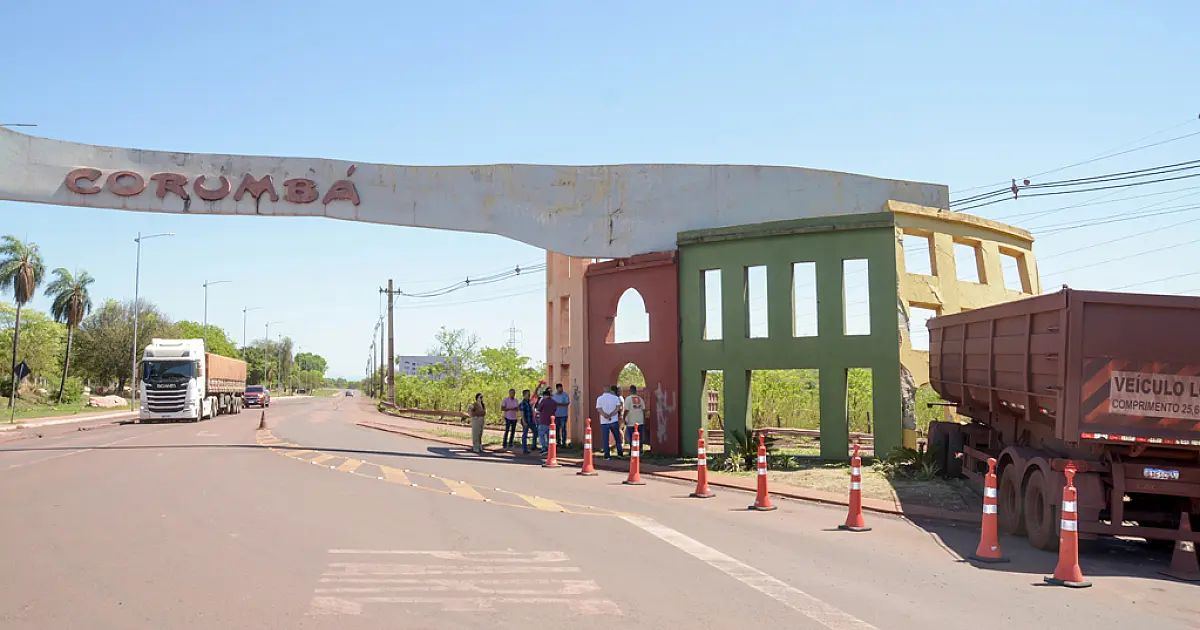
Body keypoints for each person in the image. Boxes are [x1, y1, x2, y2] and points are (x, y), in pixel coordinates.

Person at [596, 385, 624, 459]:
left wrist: (605, 415)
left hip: (604, 421)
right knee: (617, 437)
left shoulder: (600, 398)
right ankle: (620, 453)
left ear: (603, 389)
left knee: (605, 439)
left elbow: (599, 409)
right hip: (613, 420)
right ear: (610, 390)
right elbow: (618, 408)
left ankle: (607, 454)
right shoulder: (615, 398)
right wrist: (611, 414)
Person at [623, 384, 646, 454]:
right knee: (640, 436)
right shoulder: (640, 399)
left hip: (631, 421)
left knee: (631, 436)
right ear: (636, 391)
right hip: (640, 420)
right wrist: (643, 418)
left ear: (630, 391)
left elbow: (626, 410)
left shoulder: (628, 399)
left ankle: (633, 450)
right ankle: (640, 449)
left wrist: (624, 418)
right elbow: (643, 410)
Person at [536, 387, 557, 456]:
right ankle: (550, 448)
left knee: (541, 435)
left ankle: (544, 448)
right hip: (551, 422)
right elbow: (555, 410)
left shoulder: (543, 401)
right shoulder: (554, 402)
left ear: (544, 395)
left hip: (543, 421)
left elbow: (538, 409)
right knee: (549, 436)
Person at [518, 389, 536, 454]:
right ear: (524, 395)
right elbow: (522, 413)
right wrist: (524, 421)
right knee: (525, 434)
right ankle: (524, 449)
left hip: (530, 420)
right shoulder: (523, 403)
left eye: (529, 394)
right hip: (526, 420)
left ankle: (534, 445)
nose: (529, 395)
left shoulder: (528, 402)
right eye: (527, 394)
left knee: (536, 432)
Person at [552, 383, 570, 447]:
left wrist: (558, 404)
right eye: (559, 388)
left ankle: (564, 442)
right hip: (556, 415)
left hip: (563, 415)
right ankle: (558, 442)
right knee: (556, 429)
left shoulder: (565, 395)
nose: (561, 389)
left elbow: (567, 403)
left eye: (561, 388)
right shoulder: (554, 396)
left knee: (563, 428)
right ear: (557, 388)